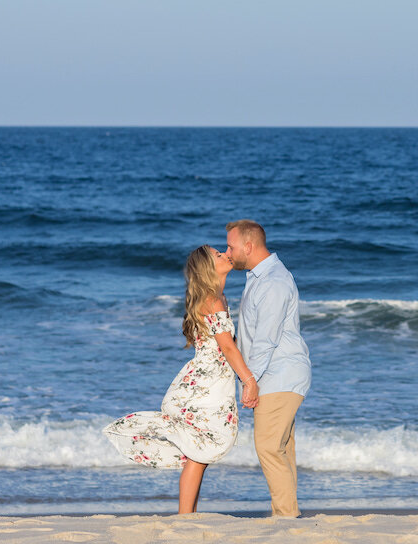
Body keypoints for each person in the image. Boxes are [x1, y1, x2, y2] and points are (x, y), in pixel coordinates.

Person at [102, 246, 259, 514]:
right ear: (209, 268)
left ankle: (187, 516)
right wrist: (249, 380)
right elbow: (228, 348)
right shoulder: (213, 300)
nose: (225, 254)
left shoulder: (215, 297)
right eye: (218, 255)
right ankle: (185, 518)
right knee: (199, 455)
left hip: (204, 384)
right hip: (205, 389)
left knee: (199, 455)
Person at [223, 219, 311, 518]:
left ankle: (286, 517)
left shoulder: (272, 281)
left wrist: (250, 381)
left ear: (249, 246)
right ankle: (287, 513)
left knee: (269, 447)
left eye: (231, 246)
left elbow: (266, 339)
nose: (228, 252)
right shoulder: (261, 276)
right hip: (278, 374)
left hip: (279, 374)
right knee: (281, 448)